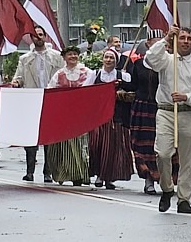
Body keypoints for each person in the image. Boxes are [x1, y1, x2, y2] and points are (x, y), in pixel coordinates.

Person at [145, 25, 191, 215]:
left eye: (189, 38)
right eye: (182, 37)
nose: (185, 41)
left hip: (187, 113)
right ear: (175, 40)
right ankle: (167, 188)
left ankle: (184, 199)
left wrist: (186, 97)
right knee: (162, 153)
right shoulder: (166, 60)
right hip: (166, 112)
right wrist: (165, 39)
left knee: (188, 159)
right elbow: (150, 59)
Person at [128, 29, 178, 195]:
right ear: (148, 44)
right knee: (143, 145)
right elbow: (133, 85)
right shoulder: (137, 65)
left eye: (160, 41)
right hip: (142, 107)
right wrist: (120, 82)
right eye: (154, 41)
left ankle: (166, 179)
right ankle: (148, 179)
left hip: (161, 106)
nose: (158, 44)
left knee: (164, 145)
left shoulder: (169, 63)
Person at [12, 25, 64, 182]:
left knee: (48, 138)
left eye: (41, 34)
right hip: (31, 100)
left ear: (45, 36)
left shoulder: (56, 56)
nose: (38, 37)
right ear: (32, 38)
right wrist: (16, 82)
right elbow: (19, 77)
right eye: (35, 35)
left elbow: (62, 75)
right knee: (31, 138)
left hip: (50, 100)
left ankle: (47, 172)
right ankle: (30, 171)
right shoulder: (25, 59)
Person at [45, 46, 96, 186]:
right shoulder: (59, 74)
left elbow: (91, 91)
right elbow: (50, 90)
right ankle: (63, 172)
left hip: (80, 114)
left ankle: (80, 174)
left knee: (79, 144)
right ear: (64, 57)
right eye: (70, 54)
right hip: (63, 114)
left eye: (75, 54)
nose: (73, 57)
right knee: (63, 145)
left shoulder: (87, 73)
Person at [88, 49, 134, 189]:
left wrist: (121, 92)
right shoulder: (94, 74)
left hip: (116, 117)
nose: (109, 60)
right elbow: (87, 92)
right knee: (98, 147)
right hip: (99, 117)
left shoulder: (124, 76)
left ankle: (108, 177)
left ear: (116, 60)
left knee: (112, 148)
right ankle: (98, 175)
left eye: (112, 58)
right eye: (106, 57)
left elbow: (131, 92)